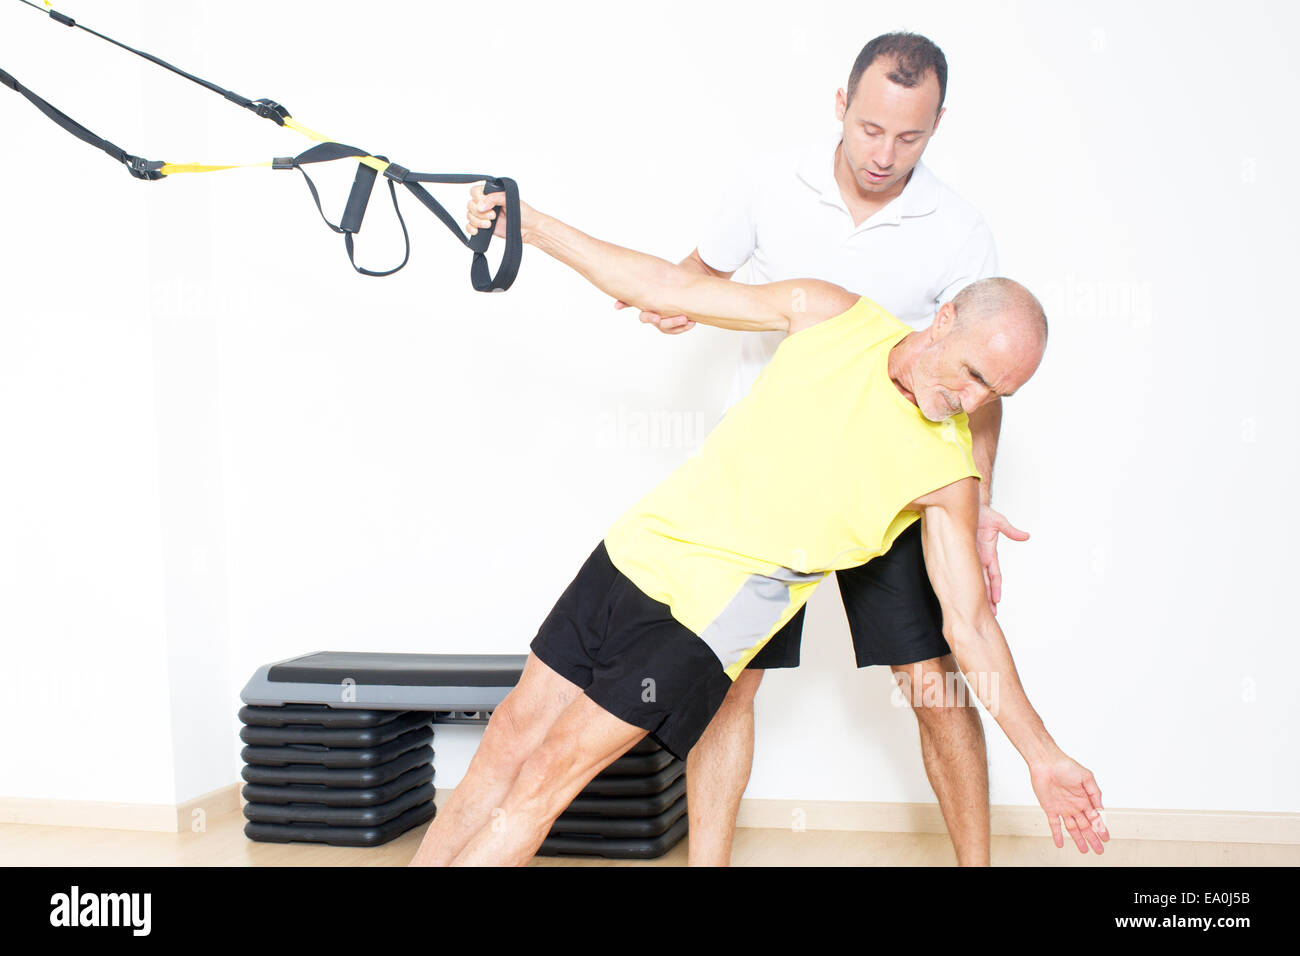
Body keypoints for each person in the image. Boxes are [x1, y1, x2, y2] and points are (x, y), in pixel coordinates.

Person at [406, 186, 1107, 867]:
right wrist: (533, 225)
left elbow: (971, 627)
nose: (972, 400)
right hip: (636, 551)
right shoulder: (834, 315)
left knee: (543, 782)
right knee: (508, 739)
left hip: (703, 621)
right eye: (976, 373)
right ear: (945, 318)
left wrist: (1043, 757)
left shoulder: (946, 475)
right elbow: (668, 288)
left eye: (996, 394)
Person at [619, 32, 1014, 866]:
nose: (884, 153)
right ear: (842, 104)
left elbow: (978, 387)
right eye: (870, 128)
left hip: (892, 490)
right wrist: (665, 298)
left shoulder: (958, 230)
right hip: (769, 486)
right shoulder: (771, 185)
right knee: (726, 686)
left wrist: (977, 507)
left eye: (909, 137)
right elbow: (696, 276)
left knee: (933, 683)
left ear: (938, 123)